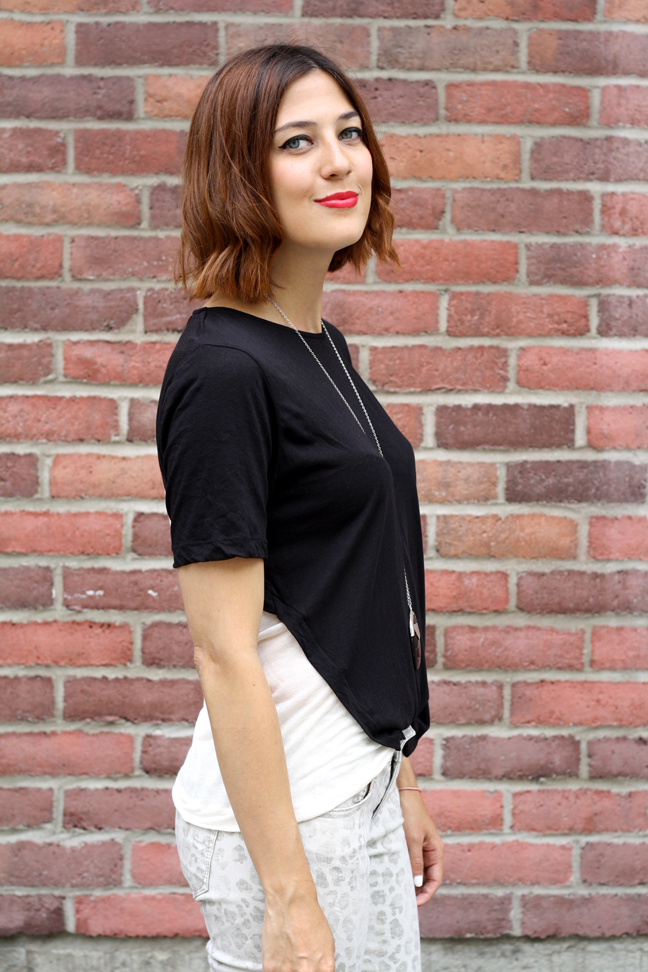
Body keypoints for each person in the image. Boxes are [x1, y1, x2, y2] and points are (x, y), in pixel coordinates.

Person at [156, 43, 444, 972]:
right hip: (293, 829)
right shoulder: (224, 372)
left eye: (349, 133)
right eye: (296, 142)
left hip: (353, 788)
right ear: (237, 174)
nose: (337, 161)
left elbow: (349, 588)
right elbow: (223, 649)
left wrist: (399, 778)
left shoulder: (319, 344)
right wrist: (288, 901)